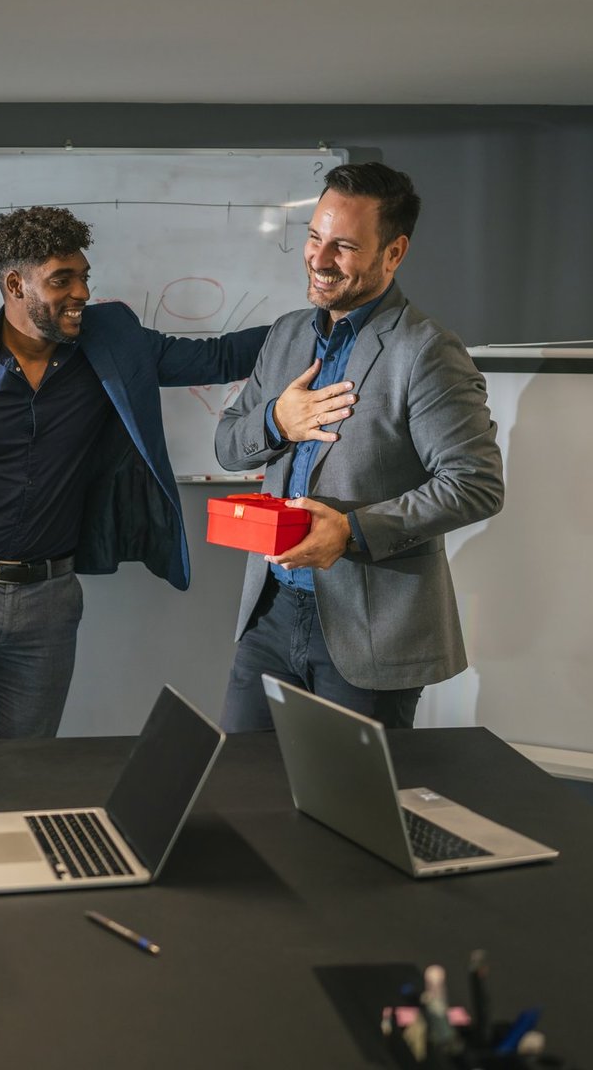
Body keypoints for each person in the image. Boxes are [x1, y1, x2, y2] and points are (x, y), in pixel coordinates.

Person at [0, 204, 265, 1009]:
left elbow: (219, 355)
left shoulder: (110, 339)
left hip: (50, 602)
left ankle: (9, 929)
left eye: (82, 275)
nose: (81, 291)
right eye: (63, 279)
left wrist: (325, 311)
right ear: (15, 285)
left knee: (22, 777)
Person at [215, 162, 504, 732]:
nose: (319, 260)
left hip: (370, 631)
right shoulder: (287, 334)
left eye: (343, 247)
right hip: (270, 613)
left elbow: (475, 483)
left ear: (393, 254)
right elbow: (229, 445)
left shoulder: (426, 351)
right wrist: (276, 420)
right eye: (315, 238)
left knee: (348, 815)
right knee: (238, 791)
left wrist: (351, 532)